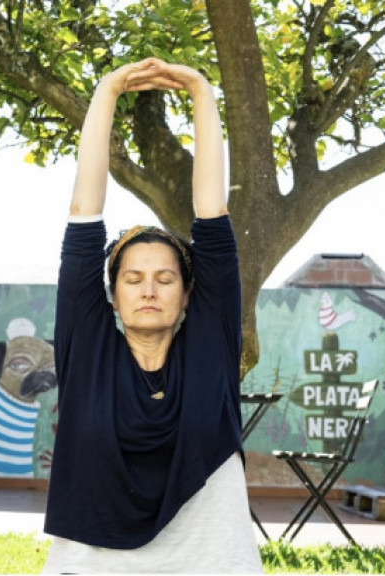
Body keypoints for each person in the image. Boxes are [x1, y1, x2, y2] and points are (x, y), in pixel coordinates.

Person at [41, 58, 263, 573]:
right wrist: (106, 90)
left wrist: (202, 92)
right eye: (133, 279)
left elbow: (211, 216)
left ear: (188, 295)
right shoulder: (88, 351)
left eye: (165, 279)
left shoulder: (210, 349)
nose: (148, 289)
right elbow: (84, 214)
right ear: (111, 296)